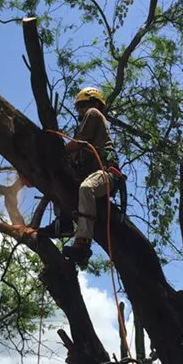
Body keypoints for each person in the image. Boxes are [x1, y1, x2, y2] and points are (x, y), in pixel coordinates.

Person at [38, 87, 120, 269]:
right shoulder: (87, 123)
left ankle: (83, 244)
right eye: (79, 108)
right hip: (90, 173)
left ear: (94, 103)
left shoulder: (94, 114)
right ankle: (64, 223)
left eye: (82, 106)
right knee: (62, 181)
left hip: (106, 174)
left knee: (86, 187)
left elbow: (78, 143)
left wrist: (55, 152)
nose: (80, 111)